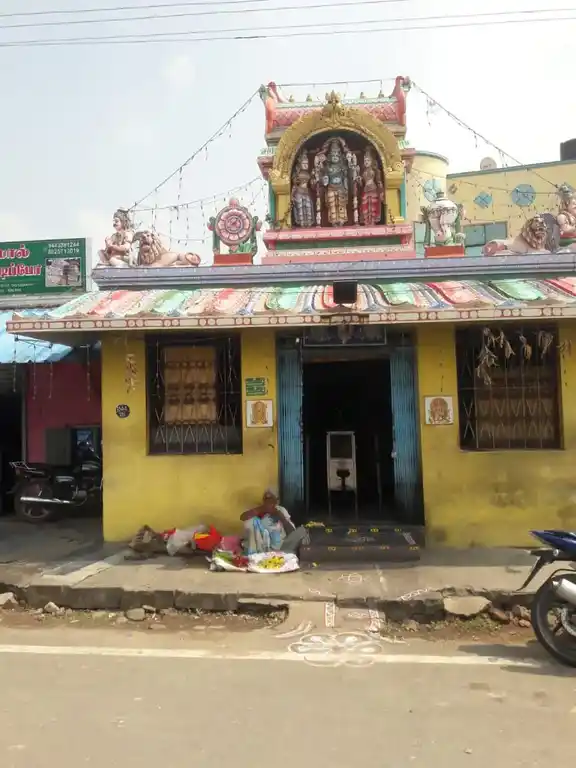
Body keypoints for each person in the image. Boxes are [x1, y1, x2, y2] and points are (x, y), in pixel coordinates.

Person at [240, 489, 309, 555]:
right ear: (264, 501)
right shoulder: (259, 512)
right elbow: (243, 517)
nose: (269, 502)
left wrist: (282, 518)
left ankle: (288, 554)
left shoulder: (281, 510)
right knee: (250, 523)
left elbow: (292, 532)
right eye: (266, 499)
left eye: (271, 499)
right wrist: (262, 508)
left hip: (284, 547)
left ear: (276, 501)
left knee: (302, 530)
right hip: (266, 550)